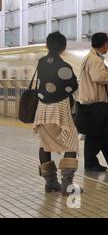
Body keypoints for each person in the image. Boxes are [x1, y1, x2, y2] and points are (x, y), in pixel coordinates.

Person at [33, 31, 80, 195]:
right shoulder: (64, 66)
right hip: (59, 109)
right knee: (72, 143)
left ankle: (51, 183)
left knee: (44, 144)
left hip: (42, 109)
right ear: (63, 47)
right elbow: (73, 86)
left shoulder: (41, 63)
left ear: (47, 45)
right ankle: (67, 185)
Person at [78, 32, 108, 171]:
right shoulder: (95, 60)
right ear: (105, 44)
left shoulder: (89, 57)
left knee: (103, 134)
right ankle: (91, 163)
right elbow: (99, 77)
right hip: (97, 103)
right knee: (96, 135)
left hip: (92, 103)